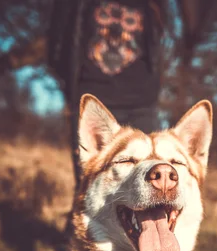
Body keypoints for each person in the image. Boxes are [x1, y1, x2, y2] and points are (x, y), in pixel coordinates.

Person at [48, 0, 167, 181]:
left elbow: (157, 40)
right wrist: (73, 88)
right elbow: (56, 43)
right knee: (88, 184)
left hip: (141, 104)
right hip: (90, 103)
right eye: (104, 17)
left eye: (130, 21)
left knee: (145, 184)